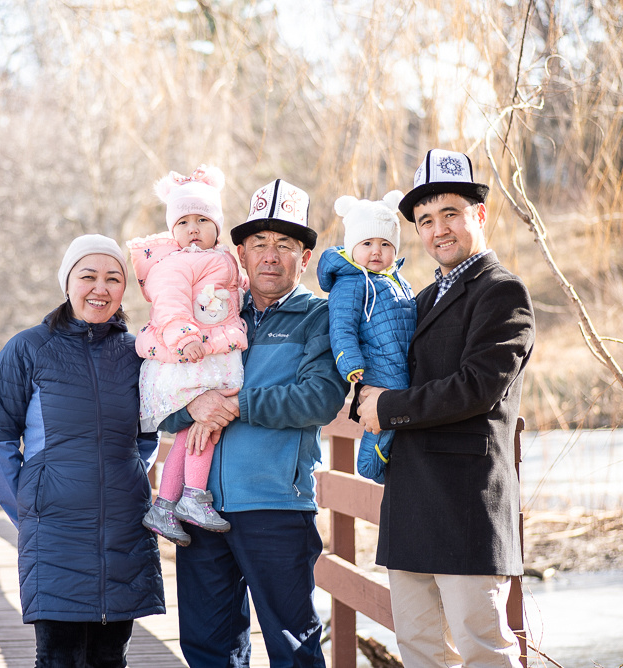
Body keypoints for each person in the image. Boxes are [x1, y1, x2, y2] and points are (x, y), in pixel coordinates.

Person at [356, 149, 535, 668]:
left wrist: (387, 408)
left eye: (450, 214)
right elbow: (391, 364)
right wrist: (361, 389)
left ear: (478, 215)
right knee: (421, 652)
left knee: (483, 652)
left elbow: (477, 387)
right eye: (426, 220)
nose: (438, 230)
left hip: (465, 505)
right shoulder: (424, 295)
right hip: (411, 504)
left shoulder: (502, 293)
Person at [160, 179, 349, 668]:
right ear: (239, 253)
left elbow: (321, 398)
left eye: (285, 244)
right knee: (207, 648)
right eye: (259, 243)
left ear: (304, 257)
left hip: (276, 508)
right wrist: (196, 406)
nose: (271, 255)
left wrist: (239, 404)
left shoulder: (318, 318)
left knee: (292, 647)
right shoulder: (211, 317)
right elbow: (164, 399)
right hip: (200, 510)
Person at [0, 234, 164, 668]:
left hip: (124, 532)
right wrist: (31, 509)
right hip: (55, 536)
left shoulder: (138, 354)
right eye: (88, 276)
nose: (100, 288)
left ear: (125, 288)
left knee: (110, 658)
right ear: (67, 282)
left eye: (112, 278)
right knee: (59, 658)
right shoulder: (28, 349)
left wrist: (125, 482)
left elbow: (146, 436)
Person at [130, 165, 247, 547]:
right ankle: (194, 495)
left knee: (188, 434)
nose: (193, 228)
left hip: (211, 354)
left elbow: (232, 292)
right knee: (207, 427)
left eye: (202, 219)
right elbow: (169, 305)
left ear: (217, 224)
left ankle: (165, 505)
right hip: (191, 358)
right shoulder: (174, 264)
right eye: (183, 222)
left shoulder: (221, 257)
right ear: (172, 230)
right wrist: (184, 338)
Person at [316, 190, 415, 484]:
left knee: (400, 419)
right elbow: (342, 327)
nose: (376, 251)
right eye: (367, 243)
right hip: (377, 368)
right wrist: (349, 363)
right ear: (352, 247)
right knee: (382, 424)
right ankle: (371, 465)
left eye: (385, 244)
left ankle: (393, 470)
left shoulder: (399, 281)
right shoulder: (350, 284)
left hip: (403, 365)